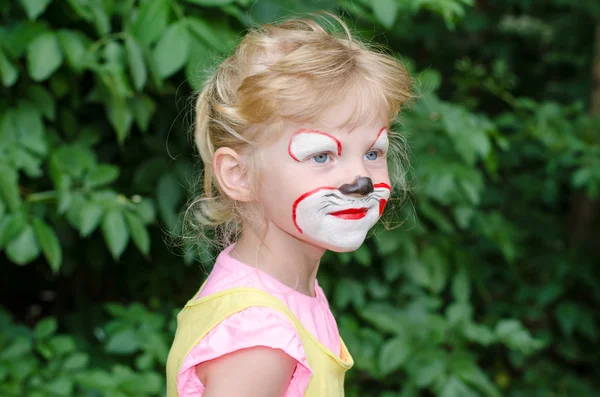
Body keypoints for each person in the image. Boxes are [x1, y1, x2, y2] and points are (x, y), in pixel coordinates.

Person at [166, 13, 413, 397]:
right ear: (239, 176)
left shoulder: (286, 292)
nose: (359, 180)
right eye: (320, 156)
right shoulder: (259, 336)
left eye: (373, 152)